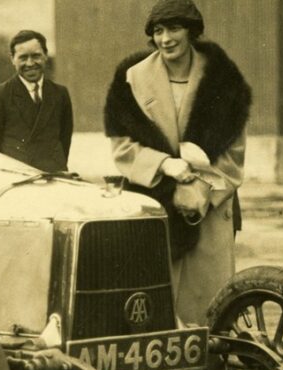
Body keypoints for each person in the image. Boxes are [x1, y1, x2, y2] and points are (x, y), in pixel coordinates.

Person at [103, 0, 251, 325]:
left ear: (191, 31)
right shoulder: (132, 78)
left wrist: (202, 192)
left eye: (174, 28)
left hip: (209, 209)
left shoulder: (223, 79)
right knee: (156, 297)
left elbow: (234, 151)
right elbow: (122, 145)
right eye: (158, 31)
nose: (166, 39)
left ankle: (211, 362)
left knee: (209, 301)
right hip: (155, 203)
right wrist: (162, 165)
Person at [0, 30, 74, 172]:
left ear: (45, 56)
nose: (30, 63)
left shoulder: (60, 94)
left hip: (54, 178)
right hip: (16, 181)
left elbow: (64, 142)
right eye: (23, 58)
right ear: (12, 59)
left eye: (36, 56)